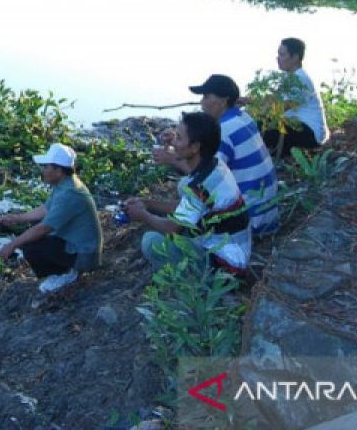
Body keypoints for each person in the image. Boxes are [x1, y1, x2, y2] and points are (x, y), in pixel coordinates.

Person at [124, 111, 251, 275]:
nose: (174, 143)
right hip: (236, 251)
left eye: (179, 138)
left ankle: (191, 283)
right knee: (183, 191)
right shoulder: (215, 164)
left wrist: (143, 215)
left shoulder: (200, 186)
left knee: (151, 242)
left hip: (226, 266)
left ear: (195, 147)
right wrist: (147, 203)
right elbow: (185, 207)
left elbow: (172, 228)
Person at [0, 142, 103, 293]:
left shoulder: (69, 194)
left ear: (58, 170)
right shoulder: (66, 184)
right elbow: (45, 209)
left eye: (46, 167)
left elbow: (43, 228)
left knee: (31, 244)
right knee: (30, 238)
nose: (43, 170)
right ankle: (64, 271)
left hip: (84, 256)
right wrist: (16, 218)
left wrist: (12, 244)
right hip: (77, 246)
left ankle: (65, 275)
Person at [190, 74, 280, 236]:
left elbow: (206, 179)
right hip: (267, 216)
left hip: (249, 222)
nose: (201, 102)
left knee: (187, 189)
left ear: (224, 101)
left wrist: (172, 157)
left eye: (206, 96)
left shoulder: (223, 131)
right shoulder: (244, 117)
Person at [262, 37, 330, 159]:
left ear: (295, 57)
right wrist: (245, 100)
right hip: (299, 126)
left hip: (311, 133)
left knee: (263, 126)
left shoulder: (299, 79)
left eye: (282, 55)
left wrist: (254, 110)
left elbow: (279, 108)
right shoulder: (289, 77)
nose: (278, 58)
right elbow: (272, 99)